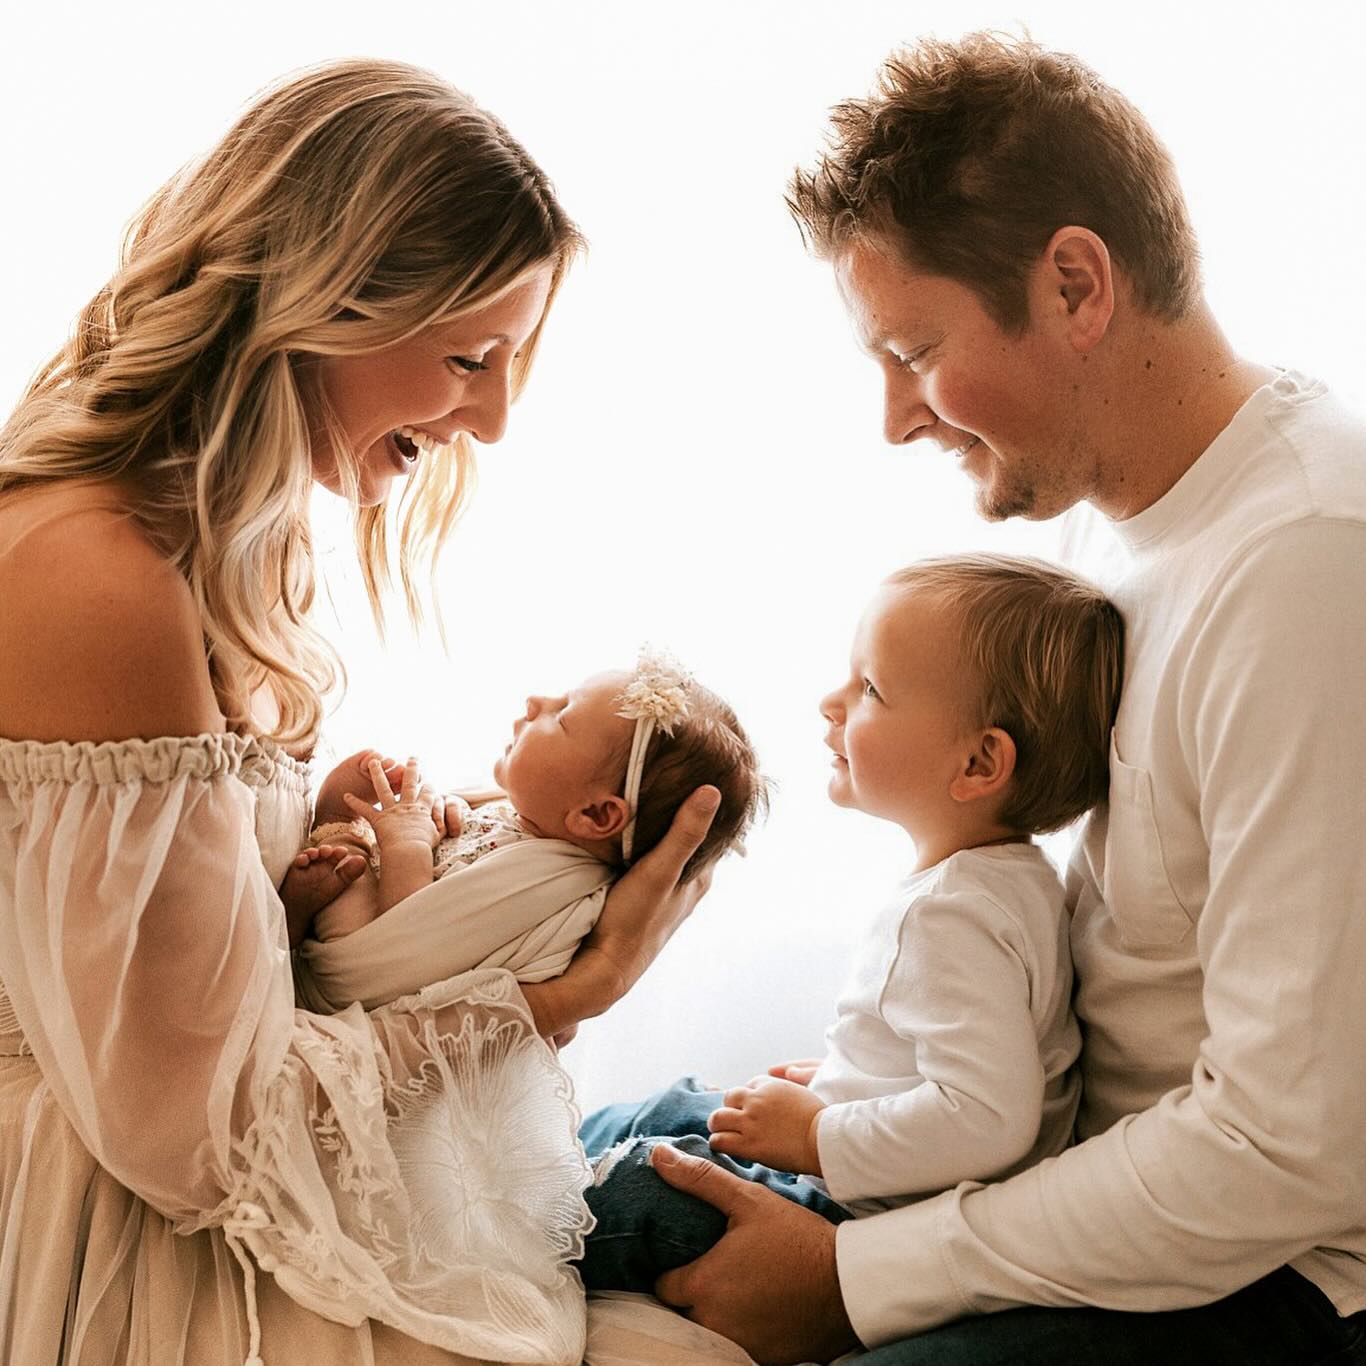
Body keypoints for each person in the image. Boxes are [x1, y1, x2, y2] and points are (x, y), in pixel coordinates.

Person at [639, 32, 1366, 1366]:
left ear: (1074, 284)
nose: (895, 418)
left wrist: (859, 1275)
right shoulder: (1109, 524)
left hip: (1276, 1274)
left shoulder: (1310, 567)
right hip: (1094, 1188)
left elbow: (1286, 1147)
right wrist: (873, 1104)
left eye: (913, 350)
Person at [0, 59, 727, 1366]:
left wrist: (296, 863)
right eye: (469, 358)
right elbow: (202, 1134)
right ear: (318, 308)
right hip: (114, 1212)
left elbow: (155, 954)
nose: (490, 419)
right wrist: (562, 994)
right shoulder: (100, 570)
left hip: (190, 1153)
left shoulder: (231, 534)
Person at [575, 555, 1120, 1293]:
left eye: (870, 689)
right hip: (879, 1177)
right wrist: (855, 1083)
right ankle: (547, 1156)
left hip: (861, 1214)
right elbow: (958, 1054)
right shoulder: (1009, 880)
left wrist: (815, 1134)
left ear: (979, 762)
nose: (832, 703)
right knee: (682, 1106)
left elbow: (989, 1119)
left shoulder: (951, 914)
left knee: (640, 1189)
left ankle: (505, 1214)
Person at [284, 655, 766, 1012]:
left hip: (355, 979)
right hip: (381, 927)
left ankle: (329, 843)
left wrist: (407, 843)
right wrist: (446, 810)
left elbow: (407, 950)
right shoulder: (529, 821)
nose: (536, 702)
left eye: (563, 716)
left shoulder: (552, 881)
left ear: (597, 815)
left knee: (352, 849)